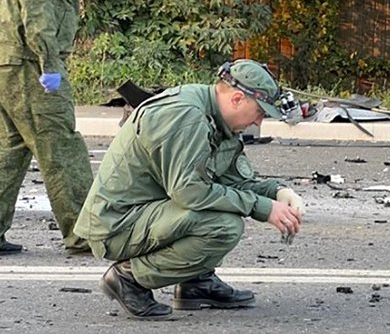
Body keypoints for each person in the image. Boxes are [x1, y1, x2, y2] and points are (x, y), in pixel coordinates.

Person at [74, 59, 306, 320]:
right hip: (116, 225)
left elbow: (231, 181)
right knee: (223, 226)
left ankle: (196, 282)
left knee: (220, 209)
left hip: (146, 213)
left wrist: (278, 193)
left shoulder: (217, 118)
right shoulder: (187, 116)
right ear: (238, 99)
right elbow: (189, 192)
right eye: (260, 112)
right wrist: (261, 208)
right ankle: (129, 278)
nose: (258, 122)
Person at [0, 0, 120, 256]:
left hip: (10, 60)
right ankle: (86, 232)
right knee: (61, 146)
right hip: (31, 63)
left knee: (11, 148)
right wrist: (49, 64)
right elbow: (38, 9)